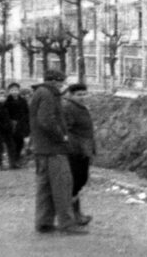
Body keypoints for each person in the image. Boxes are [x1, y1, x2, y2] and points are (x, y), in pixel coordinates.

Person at [29, 69, 87, 235]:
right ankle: (67, 224)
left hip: (42, 149)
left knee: (45, 187)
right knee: (62, 186)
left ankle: (44, 222)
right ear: (54, 81)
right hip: (54, 149)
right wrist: (62, 136)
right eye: (61, 82)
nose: (63, 85)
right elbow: (46, 120)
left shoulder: (39, 92)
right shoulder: (48, 94)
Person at [63, 83, 96, 226]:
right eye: (78, 95)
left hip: (84, 149)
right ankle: (72, 215)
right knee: (76, 181)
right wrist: (75, 145)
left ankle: (75, 214)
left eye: (84, 94)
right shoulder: (68, 108)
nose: (82, 97)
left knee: (81, 179)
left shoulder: (82, 108)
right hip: (75, 151)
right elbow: (66, 130)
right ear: (71, 95)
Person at [6, 82, 30, 166]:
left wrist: (26, 123)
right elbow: (5, 113)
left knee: (20, 143)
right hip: (11, 125)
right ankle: (12, 161)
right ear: (9, 91)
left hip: (21, 124)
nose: (14, 92)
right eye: (12, 90)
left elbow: (26, 112)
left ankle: (17, 159)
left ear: (19, 91)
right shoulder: (7, 101)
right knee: (12, 144)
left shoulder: (23, 101)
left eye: (16, 90)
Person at [0, 89, 17, 170]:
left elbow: (11, 116)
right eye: (1, 95)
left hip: (8, 130)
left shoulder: (7, 106)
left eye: (4, 95)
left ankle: (12, 163)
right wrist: (3, 126)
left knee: (11, 146)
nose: (2, 97)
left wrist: (11, 125)